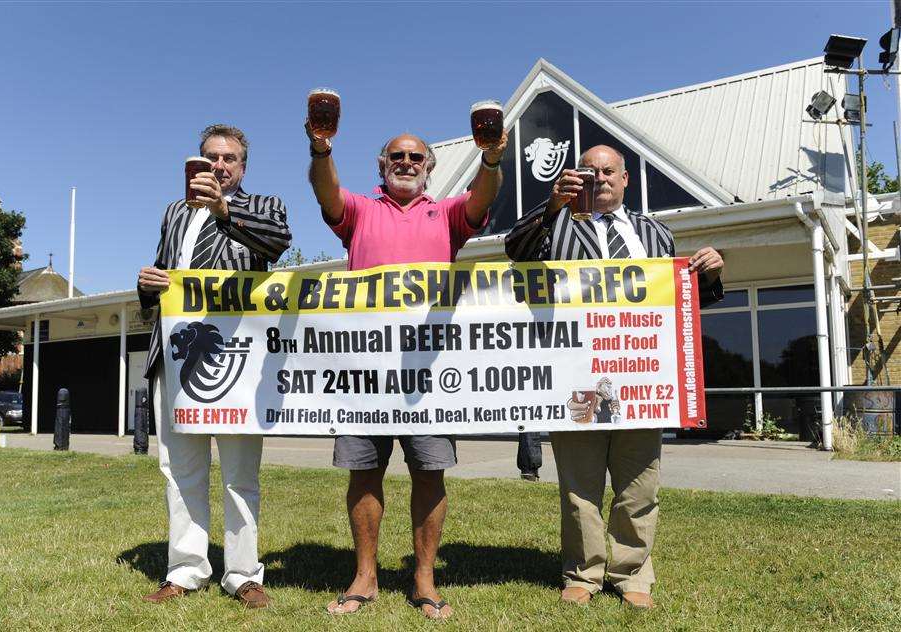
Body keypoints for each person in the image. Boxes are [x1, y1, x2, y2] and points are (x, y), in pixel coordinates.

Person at [505, 145, 724, 610]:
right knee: (579, 485)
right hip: (576, 376)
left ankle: (632, 574)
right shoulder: (558, 222)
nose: (599, 178)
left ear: (626, 179)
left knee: (639, 484)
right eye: (590, 171)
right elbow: (515, 251)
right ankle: (582, 572)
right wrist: (551, 206)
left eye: (609, 171)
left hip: (641, 380)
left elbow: (676, 308)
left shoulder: (655, 233)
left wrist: (706, 275)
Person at [306, 122, 507, 619]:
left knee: (429, 473)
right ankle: (364, 575)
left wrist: (491, 159)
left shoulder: (447, 213)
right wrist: (321, 148)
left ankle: (424, 578)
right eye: (397, 156)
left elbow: (482, 198)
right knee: (363, 474)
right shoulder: (360, 210)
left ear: (430, 167)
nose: (406, 163)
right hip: (364, 370)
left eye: (416, 158)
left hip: (430, 372)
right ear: (381, 163)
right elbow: (325, 189)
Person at [137, 124, 291, 608]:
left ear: (242, 167)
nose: (219, 166)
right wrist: (147, 284)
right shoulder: (174, 213)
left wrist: (223, 211)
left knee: (240, 473)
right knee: (179, 468)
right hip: (179, 355)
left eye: (229, 159)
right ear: (197, 162)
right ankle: (184, 569)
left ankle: (243, 573)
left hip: (238, 362)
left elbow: (276, 242)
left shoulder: (263, 206)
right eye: (210, 158)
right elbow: (166, 279)